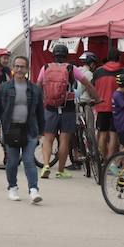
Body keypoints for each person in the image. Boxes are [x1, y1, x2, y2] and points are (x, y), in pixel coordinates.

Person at [36, 43, 94, 179]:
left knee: (48, 138)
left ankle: (45, 166)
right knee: (64, 140)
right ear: (66, 55)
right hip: (67, 107)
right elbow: (87, 84)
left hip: (50, 107)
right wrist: (97, 97)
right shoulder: (71, 68)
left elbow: (37, 86)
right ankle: (60, 170)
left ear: (54, 55)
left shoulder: (45, 67)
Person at [0, 55, 44, 203]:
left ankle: (34, 190)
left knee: (29, 161)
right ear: (13, 68)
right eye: (17, 66)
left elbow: (40, 111)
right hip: (11, 129)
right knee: (13, 161)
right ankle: (12, 188)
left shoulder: (34, 89)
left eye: (23, 67)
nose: (20, 69)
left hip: (29, 130)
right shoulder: (4, 88)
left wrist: (42, 132)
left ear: (27, 69)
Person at [91, 50, 124, 164]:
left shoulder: (98, 71)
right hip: (116, 108)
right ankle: (110, 162)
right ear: (119, 57)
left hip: (101, 106)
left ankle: (102, 159)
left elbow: (93, 87)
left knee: (102, 134)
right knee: (113, 136)